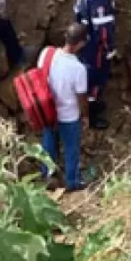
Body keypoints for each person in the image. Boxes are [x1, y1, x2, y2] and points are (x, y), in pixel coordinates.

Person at [40, 23, 89, 191]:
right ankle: (72, 181)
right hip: (68, 115)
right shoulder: (78, 69)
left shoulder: (46, 53)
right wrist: (85, 116)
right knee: (71, 148)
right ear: (81, 44)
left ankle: (48, 175)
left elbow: (40, 77)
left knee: (48, 143)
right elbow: (82, 98)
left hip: (47, 111)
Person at [73, 0, 117, 130]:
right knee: (96, 77)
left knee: (86, 72)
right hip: (94, 44)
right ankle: (91, 114)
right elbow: (103, 29)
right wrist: (109, 49)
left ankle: (90, 105)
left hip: (81, 34)